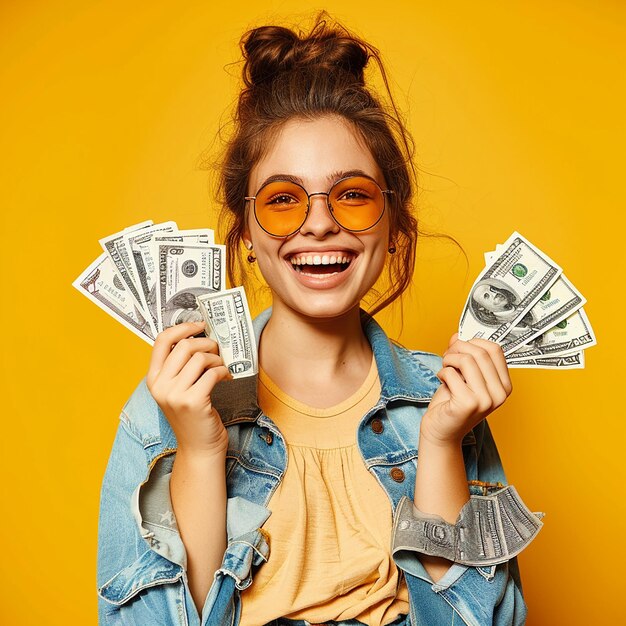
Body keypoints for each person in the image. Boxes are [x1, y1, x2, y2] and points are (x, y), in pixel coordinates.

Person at [96, 13, 542, 626]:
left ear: (392, 226)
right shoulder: (167, 408)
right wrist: (200, 450)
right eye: (283, 200)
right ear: (246, 234)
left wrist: (440, 444)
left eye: (352, 194)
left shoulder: (451, 405)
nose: (320, 222)